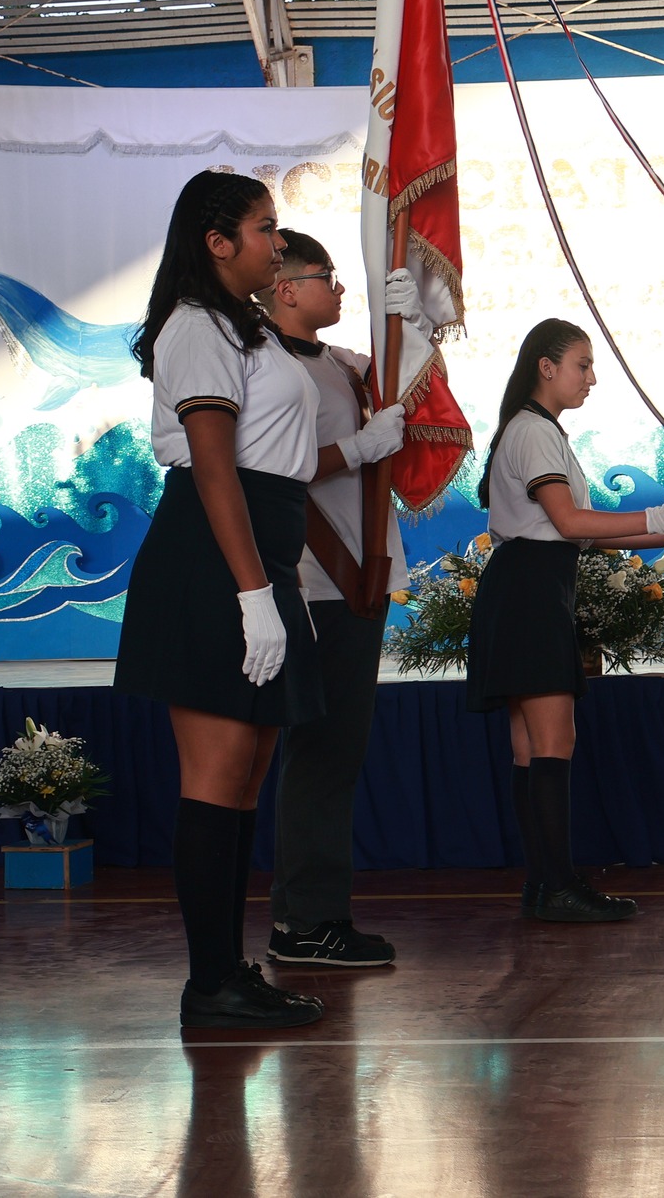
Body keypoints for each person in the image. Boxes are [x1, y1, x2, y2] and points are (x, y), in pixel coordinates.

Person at [113, 170, 326, 1030]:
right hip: (214, 552)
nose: (280, 243)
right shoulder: (196, 325)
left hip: (258, 541)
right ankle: (209, 982)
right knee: (215, 775)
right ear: (216, 240)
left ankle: (230, 967)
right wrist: (252, 593)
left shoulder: (253, 330)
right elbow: (212, 466)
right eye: (267, 227)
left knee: (245, 777)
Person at [467, 319, 664, 922]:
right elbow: (568, 523)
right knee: (551, 741)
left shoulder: (535, 429)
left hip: (528, 583)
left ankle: (544, 883)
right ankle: (557, 884)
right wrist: (659, 515)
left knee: (527, 747)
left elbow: (579, 537)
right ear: (546, 366)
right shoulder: (534, 431)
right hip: (531, 590)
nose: (591, 378)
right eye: (582, 365)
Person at [253, 230, 412, 969]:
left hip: (359, 573)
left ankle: (313, 912)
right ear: (285, 287)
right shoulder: (267, 365)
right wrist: (357, 449)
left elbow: (411, 388)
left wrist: (420, 327)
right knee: (319, 750)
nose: (339, 289)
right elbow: (275, 468)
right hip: (318, 574)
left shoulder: (340, 364)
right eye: (326, 277)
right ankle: (306, 920)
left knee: (337, 750)